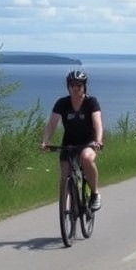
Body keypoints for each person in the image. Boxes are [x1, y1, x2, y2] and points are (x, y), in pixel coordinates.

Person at [40, 69, 104, 211]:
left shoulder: (91, 102)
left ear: (84, 87)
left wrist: (98, 141)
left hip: (88, 141)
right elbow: (51, 124)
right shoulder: (62, 103)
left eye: (79, 86)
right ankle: (66, 211)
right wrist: (45, 141)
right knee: (65, 177)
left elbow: (98, 123)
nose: (75, 89)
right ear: (68, 87)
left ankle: (95, 193)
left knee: (86, 158)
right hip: (69, 143)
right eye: (72, 86)